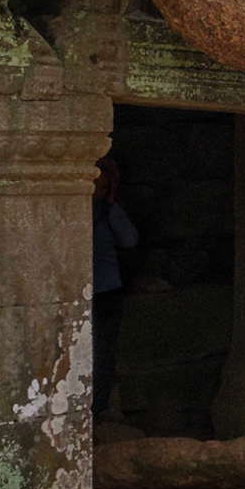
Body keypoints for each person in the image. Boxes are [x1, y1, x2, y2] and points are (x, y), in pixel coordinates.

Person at [92, 154, 139, 418]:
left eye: (103, 187)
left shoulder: (108, 211)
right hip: (76, 291)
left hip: (106, 291)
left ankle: (97, 409)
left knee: (102, 353)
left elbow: (129, 240)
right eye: (95, 185)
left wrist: (112, 205)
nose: (97, 192)